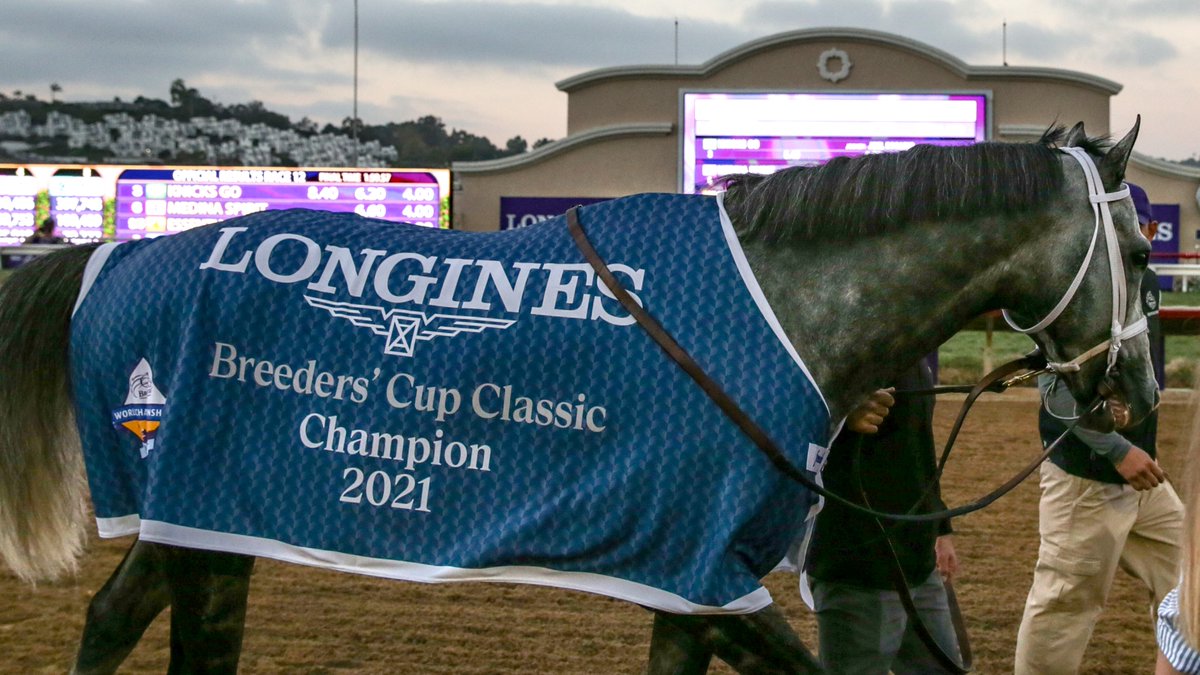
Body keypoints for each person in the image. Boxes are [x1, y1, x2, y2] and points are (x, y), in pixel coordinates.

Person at [1014, 181, 1183, 674]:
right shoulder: (1082, 284)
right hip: (1088, 478)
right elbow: (1054, 382)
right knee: (1064, 606)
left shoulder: (1143, 280)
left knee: (1190, 585)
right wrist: (1115, 448)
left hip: (1141, 477)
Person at [805, 357, 963, 674]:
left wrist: (939, 527)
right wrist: (839, 414)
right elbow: (776, 416)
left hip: (919, 563)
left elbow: (919, 444)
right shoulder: (838, 334)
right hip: (860, 565)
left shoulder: (913, 349)